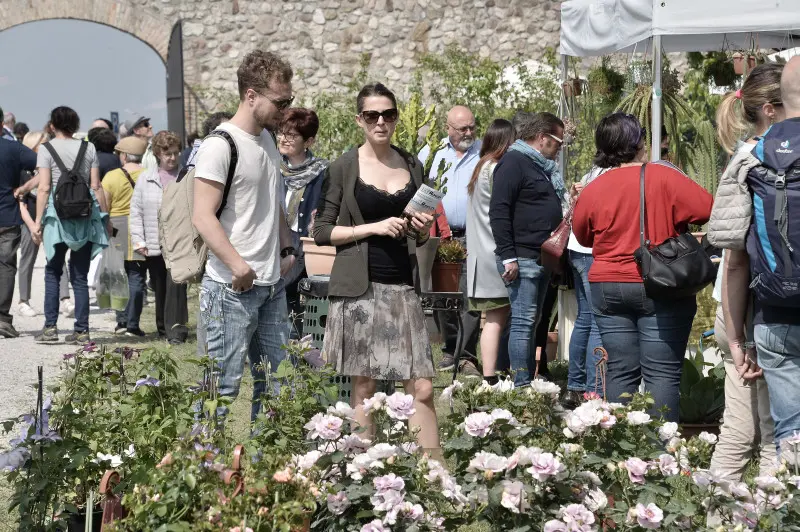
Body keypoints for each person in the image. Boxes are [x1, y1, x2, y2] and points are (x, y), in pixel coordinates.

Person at [313, 82, 440, 454]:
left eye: (388, 114)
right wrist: (374, 227)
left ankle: (433, 475)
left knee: (422, 387)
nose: (381, 121)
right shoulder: (343, 167)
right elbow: (322, 231)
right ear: (360, 120)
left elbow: (420, 233)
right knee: (365, 387)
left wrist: (422, 227)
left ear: (396, 117)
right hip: (360, 289)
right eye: (372, 115)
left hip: (403, 287)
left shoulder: (413, 164)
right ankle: (364, 472)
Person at [572, 113, 712, 421]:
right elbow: (705, 208)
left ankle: (625, 456)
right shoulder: (663, 176)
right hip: (660, 283)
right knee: (662, 372)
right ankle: (662, 457)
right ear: (639, 144)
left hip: (607, 287)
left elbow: (582, 236)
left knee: (620, 371)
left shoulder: (594, 187)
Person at [193, 50, 295, 422]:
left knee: (278, 386)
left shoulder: (267, 142)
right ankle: (202, 473)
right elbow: (202, 216)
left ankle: (268, 471)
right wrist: (239, 266)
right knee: (219, 389)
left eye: (290, 100)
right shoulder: (220, 145)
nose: (285, 108)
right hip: (230, 288)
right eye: (280, 100)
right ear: (251, 96)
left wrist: (287, 248)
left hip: (271, 285)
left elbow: (272, 205)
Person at [707, 63, 783, 482]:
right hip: (752, 310)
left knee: (743, 427)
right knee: (772, 433)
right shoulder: (757, 161)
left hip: (738, 308)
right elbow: (736, 261)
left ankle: (717, 515)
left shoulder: (743, 157)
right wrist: (739, 337)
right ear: (770, 109)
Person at [725, 57, 800, 463]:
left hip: (775, 313)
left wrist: (737, 340)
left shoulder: (751, 157)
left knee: (790, 434)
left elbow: (735, 262)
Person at [489, 112, 565, 387]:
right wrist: (508, 256)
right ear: (542, 138)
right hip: (521, 256)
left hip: (541, 256)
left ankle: (526, 380)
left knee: (532, 321)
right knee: (523, 321)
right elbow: (499, 210)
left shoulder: (541, 167)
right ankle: (521, 386)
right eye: (559, 140)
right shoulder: (514, 162)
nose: (560, 146)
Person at [29, 106, 110, 344]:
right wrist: (104, 218)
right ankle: (82, 330)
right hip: (84, 216)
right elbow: (96, 186)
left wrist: (37, 222)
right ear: (75, 125)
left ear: (52, 125)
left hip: (56, 217)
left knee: (53, 272)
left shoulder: (46, 149)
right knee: (79, 276)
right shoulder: (89, 148)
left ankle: (50, 328)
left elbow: (43, 188)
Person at [417, 105, 482, 377]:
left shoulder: (484, 153)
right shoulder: (431, 154)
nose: (468, 132)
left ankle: (466, 356)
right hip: (441, 235)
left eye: (471, 126)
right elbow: (423, 190)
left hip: (472, 235)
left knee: (469, 296)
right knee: (443, 297)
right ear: (448, 128)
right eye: (462, 128)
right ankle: (449, 349)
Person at [465, 118, 515, 383]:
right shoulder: (494, 169)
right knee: (496, 318)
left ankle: (493, 373)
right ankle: (491, 377)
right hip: (492, 252)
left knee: (494, 318)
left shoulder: (480, 166)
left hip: (479, 253)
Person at [129, 131, 189, 344]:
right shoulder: (146, 178)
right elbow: (136, 211)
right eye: (167, 154)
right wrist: (139, 240)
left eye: (175, 153)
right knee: (160, 287)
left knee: (178, 286)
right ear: (157, 154)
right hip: (154, 243)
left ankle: (177, 331)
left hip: (180, 243)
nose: (172, 158)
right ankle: (163, 328)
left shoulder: (185, 176)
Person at [278, 108, 329, 338]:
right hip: (277, 245)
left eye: (292, 135)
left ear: (308, 141)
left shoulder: (322, 173)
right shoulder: (273, 168)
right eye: (282, 133)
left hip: (307, 249)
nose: (284, 139)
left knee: (303, 308)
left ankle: (307, 354)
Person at [562, 165, 609, 408]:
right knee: (597, 321)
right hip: (591, 250)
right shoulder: (609, 173)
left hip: (578, 249)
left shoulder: (594, 171)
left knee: (585, 318)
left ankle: (576, 386)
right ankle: (595, 392)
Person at [102, 136, 148, 335]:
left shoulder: (111, 177)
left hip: (116, 226)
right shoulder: (148, 174)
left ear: (123, 156)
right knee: (137, 276)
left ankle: (121, 321)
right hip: (141, 227)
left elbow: (105, 204)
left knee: (118, 276)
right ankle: (133, 324)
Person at [0, 124, 37, 337]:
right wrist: (25, 188)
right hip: (7, 215)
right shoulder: (14, 148)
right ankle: (3, 319)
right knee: (5, 267)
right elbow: (45, 165)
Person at [15, 131, 49, 318]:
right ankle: (23, 300)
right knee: (27, 258)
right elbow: (20, 201)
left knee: (55, 258)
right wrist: (32, 225)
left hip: (48, 218)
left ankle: (65, 299)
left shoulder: (47, 168)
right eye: (43, 143)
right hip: (28, 219)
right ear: (34, 146)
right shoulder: (22, 171)